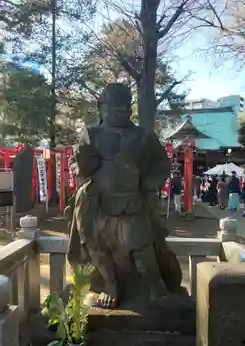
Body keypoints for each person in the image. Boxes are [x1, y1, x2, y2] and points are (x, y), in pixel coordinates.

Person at [67, 83, 182, 309]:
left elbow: (162, 162)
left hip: (131, 198)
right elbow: (76, 165)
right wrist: (82, 163)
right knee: (97, 246)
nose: (120, 112)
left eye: (124, 108)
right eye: (113, 108)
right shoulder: (92, 134)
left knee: (141, 246)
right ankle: (110, 284)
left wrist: (150, 183)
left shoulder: (142, 136)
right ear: (101, 108)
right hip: (96, 201)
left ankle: (156, 288)